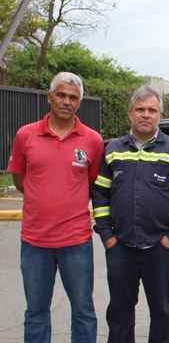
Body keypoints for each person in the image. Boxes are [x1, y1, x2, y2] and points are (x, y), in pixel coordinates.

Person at [91, 86, 169, 342]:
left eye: (152, 110)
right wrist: (107, 236)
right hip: (121, 246)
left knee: (163, 313)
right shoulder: (113, 149)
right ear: (130, 114)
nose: (146, 114)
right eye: (140, 109)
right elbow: (100, 194)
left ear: (160, 115)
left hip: (161, 248)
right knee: (119, 313)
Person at [8, 72, 103, 343]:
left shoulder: (92, 140)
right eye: (61, 95)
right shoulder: (25, 135)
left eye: (73, 97)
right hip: (34, 241)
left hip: (77, 241)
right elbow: (21, 181)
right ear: (49, 97)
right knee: (36, 312)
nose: (66, 101)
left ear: (79, 102)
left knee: (83, 311)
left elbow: (91, 183)